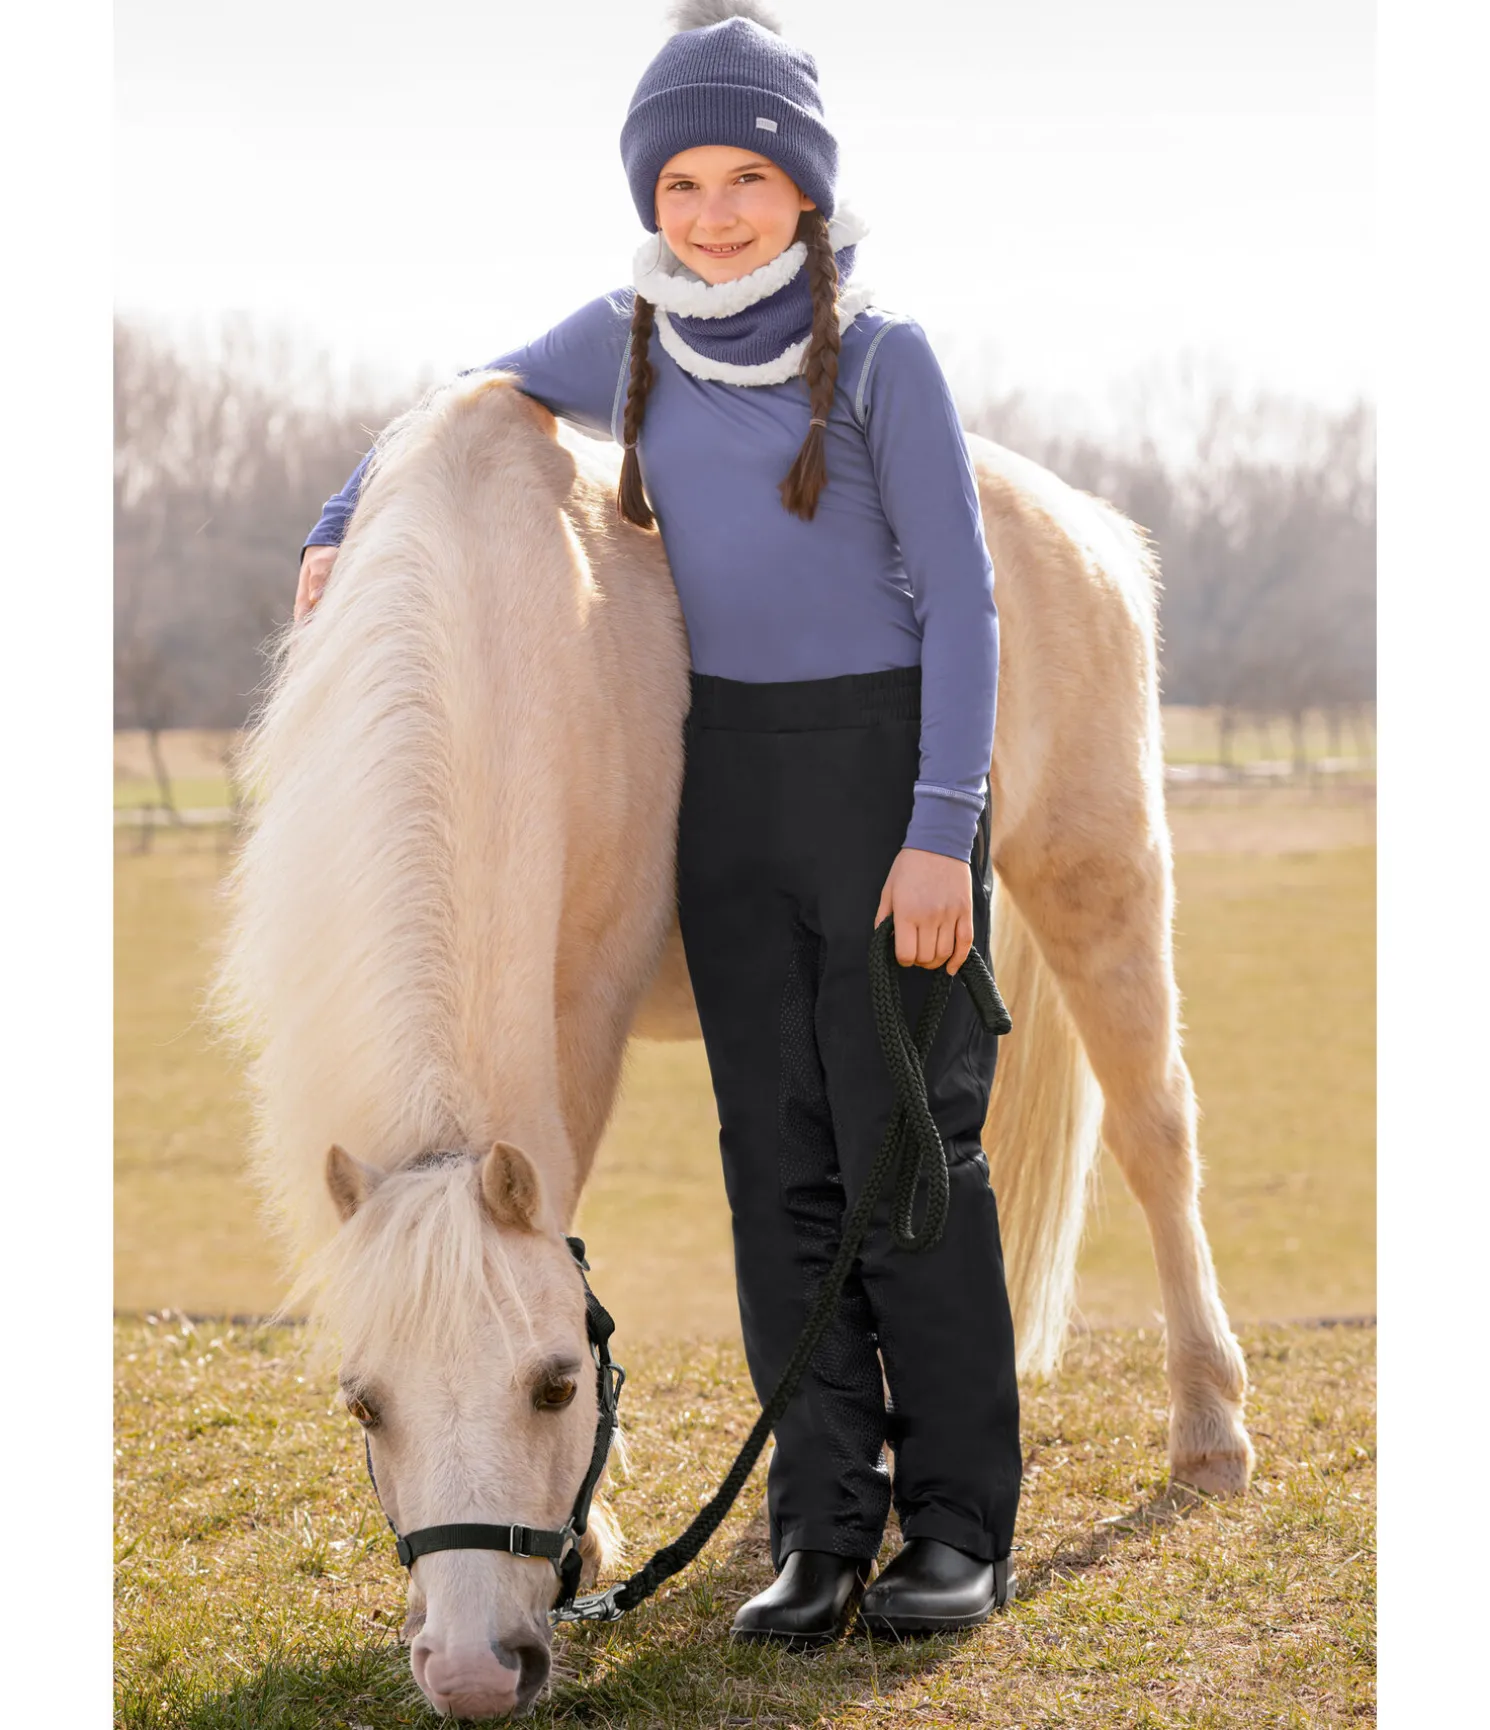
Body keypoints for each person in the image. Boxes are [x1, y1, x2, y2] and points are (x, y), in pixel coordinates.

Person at [296, 0, 1021, 1645]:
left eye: (745, 178)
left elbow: (963, 602)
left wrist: (940, 823)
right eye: (679, 183)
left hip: (882, 772)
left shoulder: (884, 352)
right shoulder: (634, 336)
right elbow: (469, 398)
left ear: (805, 191)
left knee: (910, 1155)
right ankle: (819, 1529)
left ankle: (954, 1523)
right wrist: (342, 513)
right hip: (727, 774)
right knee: (776, 1168)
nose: (711, 211)